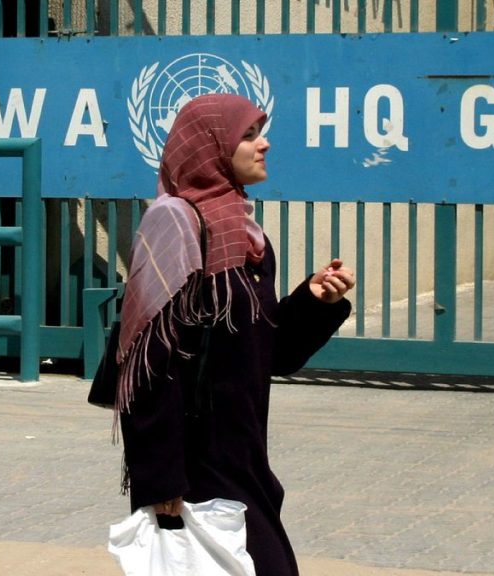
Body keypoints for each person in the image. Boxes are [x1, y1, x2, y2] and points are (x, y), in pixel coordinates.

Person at [113, 93, 355, 576]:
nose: (263, 145)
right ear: (211, 146)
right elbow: (148, 364)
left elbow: (272, 355)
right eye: (248, 135)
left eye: (260, 132)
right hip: (196, 460)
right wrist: (161, 479)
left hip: (244, 452)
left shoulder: (247, 236)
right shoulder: (175, 224)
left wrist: (313, 302)